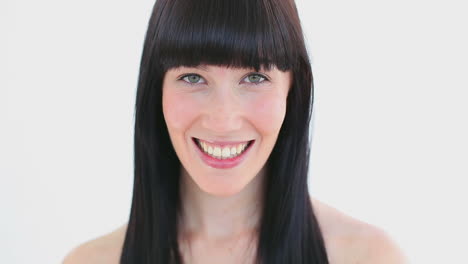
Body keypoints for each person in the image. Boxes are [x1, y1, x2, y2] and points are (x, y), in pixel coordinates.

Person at [63, 0, 408, 263]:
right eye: (193, 77)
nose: (224, 120)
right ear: (157, 91)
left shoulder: (368, 256)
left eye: (255, 77)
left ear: (292, 91)